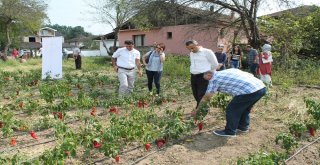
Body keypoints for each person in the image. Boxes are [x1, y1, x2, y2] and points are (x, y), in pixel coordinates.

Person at [197, 69, 266, 137]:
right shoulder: (229, 70)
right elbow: (250, 74)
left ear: (209, 75)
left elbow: (206, 98)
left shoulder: (214, 79)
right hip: (261, 87)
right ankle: (243, 127)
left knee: (232, 109)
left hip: (249, 92)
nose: (207, 81)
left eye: (206, 79)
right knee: (244, 108)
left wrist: (197, 110)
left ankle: (230, 132)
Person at [185, 40, 219, 109]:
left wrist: (208, 74)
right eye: (189, 49)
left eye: (192, 48)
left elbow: (215, 64)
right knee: (195, 93)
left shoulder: (207, 52)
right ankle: (201, 107)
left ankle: (200, 111)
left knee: (202, 94)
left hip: (203, 76)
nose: (191, 50)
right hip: (193, 76)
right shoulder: (192, 53)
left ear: (197, 44)